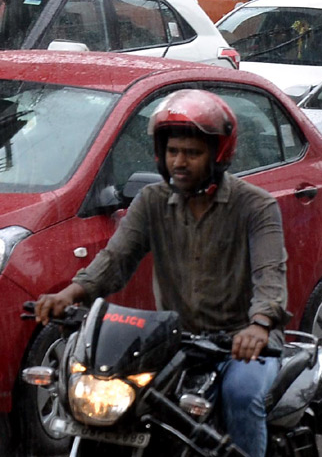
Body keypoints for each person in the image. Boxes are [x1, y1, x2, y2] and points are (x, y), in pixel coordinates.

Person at [34, 90, 287, 457]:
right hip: (175, 341)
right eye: (173, 152)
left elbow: (270, 274)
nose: (179, 162)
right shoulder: (151, 201)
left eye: (192, 153)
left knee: (241, 395)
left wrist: (259, 324)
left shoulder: (256, 206)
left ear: (218, 156)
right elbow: (115, 259)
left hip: (239, 345)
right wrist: (69, 295)